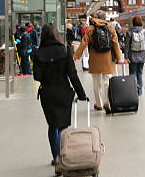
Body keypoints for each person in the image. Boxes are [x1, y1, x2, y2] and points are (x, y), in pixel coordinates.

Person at [32, 24, 87, 168]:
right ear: (57, 35)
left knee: (52, 126)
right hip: (64, 92)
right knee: (63, 126)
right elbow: (72, 75)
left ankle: (56, 157)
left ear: (42, 36)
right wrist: (82, 95)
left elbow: (37, 77)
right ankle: (64, 156)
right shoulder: (65, 50)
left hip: (48, 94)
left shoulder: (38, 54)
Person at [74, 10, 123, 112]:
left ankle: (99, 104)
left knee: (96, 82)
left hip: (95, 59)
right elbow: (115, 43)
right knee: (107, 81)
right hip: (108, 59)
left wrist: (76, 56)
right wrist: (119, 57)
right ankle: (107, 102)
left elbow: (83, 43)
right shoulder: (110, 28)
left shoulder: (90, 29)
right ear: (105, 18)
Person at [124, 16, 145, 96]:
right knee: (140, 73)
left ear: (133, 23)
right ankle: (140, 91)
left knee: (132, 73)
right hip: (142, 56)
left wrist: (126, 58)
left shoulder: (129, 32)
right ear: (141, 22)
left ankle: (133, 91)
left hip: (132, 56)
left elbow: (127, 46)